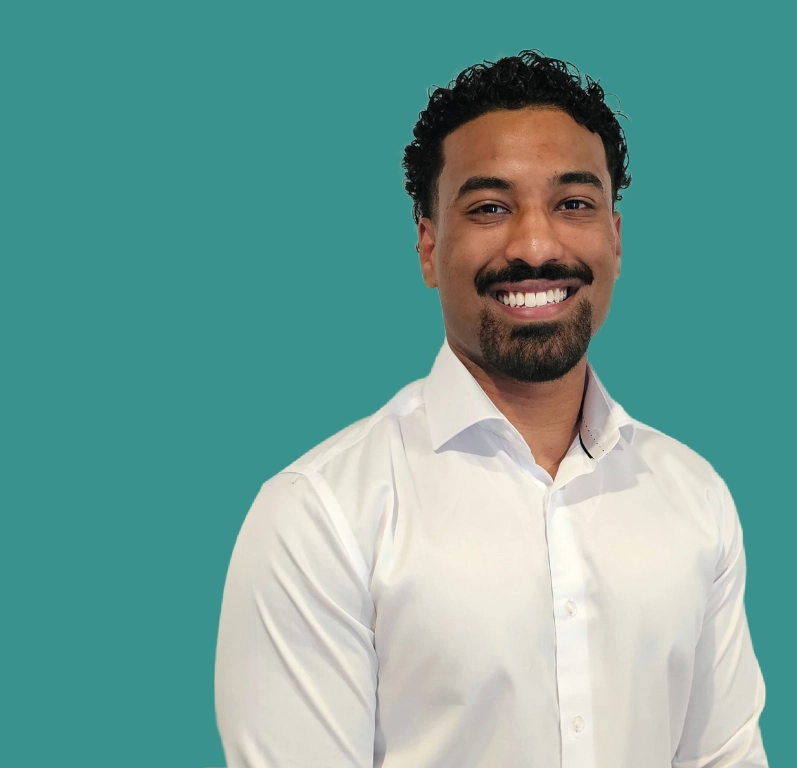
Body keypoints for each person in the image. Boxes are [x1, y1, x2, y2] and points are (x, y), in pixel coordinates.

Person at [214, 50, 769, 768]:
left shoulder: (695, 498)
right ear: (428, 246)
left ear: (615, 237)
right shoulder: (321, 517)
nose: (535, 245)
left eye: (574, 204)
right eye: (490, 208)